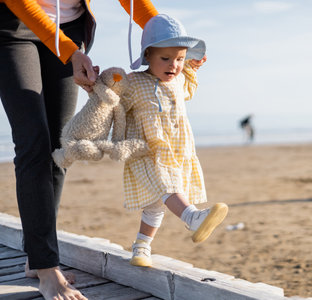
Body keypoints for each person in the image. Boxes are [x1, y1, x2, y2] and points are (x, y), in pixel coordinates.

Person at [0, 1, 158, 299]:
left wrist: (165, 35)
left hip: (68, 29)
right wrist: (70, 52)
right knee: (32, 141)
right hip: (12, 27)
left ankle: (37, 257)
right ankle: (47, 268)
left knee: (61, 147)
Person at [121, 14, 228, 267]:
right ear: (148, 56)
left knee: (154, 206)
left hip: (177, 151)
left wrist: (191, 68)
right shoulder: (135, 82)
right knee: (168, 186)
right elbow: (114, 102)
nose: (174, 65)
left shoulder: (179, 80)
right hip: (148, 151)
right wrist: (102, 86)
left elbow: (188, 89)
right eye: (166, 58)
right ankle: (192, 218)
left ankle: (141, 248)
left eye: (180, 59)